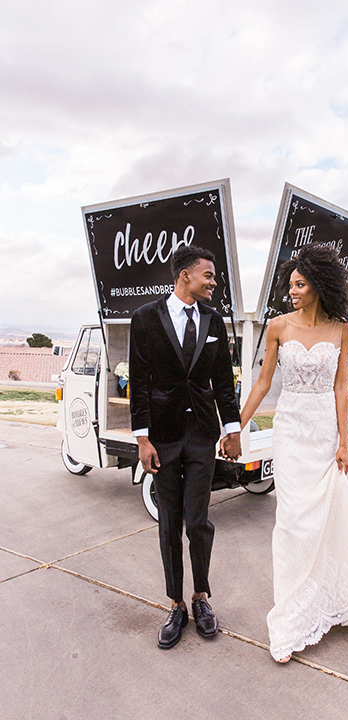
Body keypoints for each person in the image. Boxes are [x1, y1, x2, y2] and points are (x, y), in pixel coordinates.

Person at [231, 244, 348, 663]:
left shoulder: (342, 328)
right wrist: (237, 425)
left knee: (324, 519)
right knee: (292, 522)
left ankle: (326, 602)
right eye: (290, 286)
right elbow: (263, 382)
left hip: (323, 432)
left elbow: (341, 386)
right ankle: (292, 616)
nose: (293, 292)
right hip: (290, 430)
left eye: (300, 285)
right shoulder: (278, 327)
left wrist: (344, 441)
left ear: (318, 285)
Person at [129, 245, 241, 649]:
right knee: (169, 524)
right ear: (185, 276)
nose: (214, 282)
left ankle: (201, 598)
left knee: (198, 522)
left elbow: (224, 383)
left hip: (201, 436)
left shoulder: (214, 320)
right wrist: (142, 439)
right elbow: (138, 383)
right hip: (162, 436)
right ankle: (176, 604)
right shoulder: (144, 318)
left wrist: (232, 430)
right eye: (208, 275)